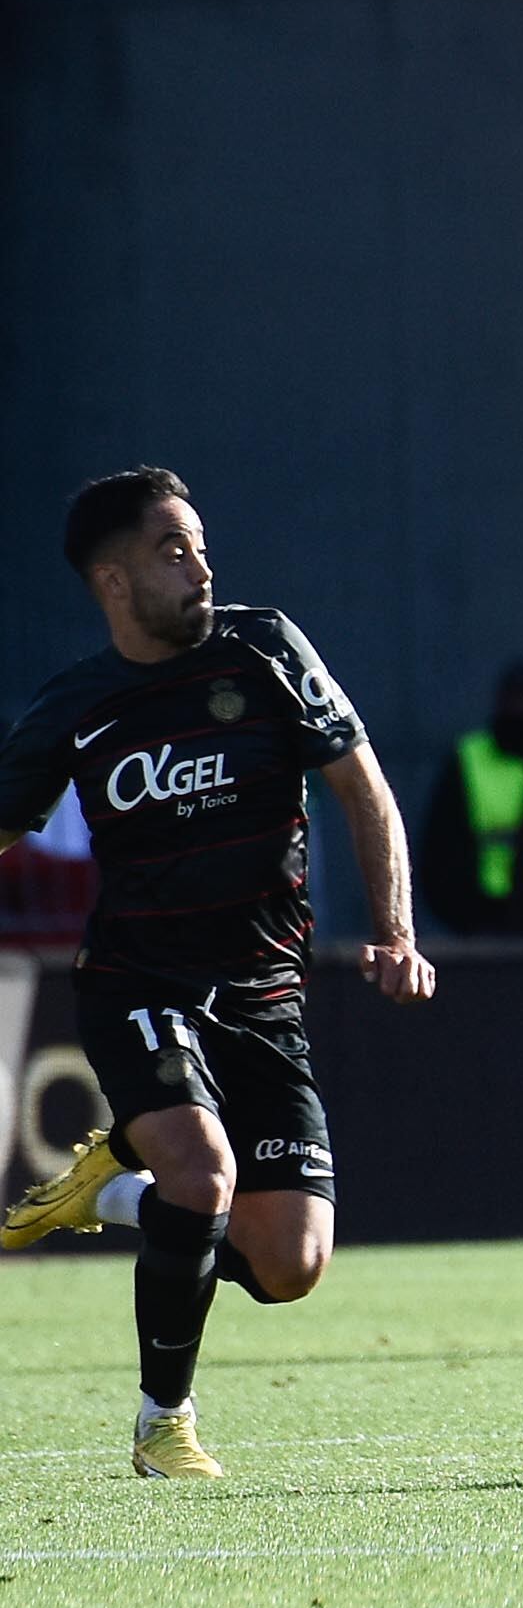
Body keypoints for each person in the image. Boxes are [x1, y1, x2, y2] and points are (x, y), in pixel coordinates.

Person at [0, 469, 437, 1476]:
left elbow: (363, 789)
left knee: (289, 1264)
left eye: (198, 545)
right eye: (170, 549)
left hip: (262, 994)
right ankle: (164, 1424)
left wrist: (396, 930)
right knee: (202, 1173)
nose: (198, 565)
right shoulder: (77, 706)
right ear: (112, 580)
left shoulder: (267, 648)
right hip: (135, 982)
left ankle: (111, 1191)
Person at [419, 661, 523, 935]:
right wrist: (466, 918)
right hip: (485, 920)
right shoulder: (469, 758)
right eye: (521, 698)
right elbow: (439, 850)